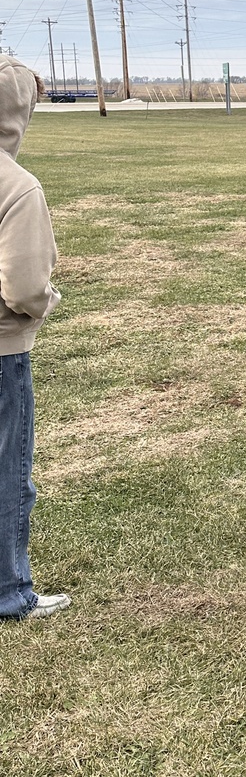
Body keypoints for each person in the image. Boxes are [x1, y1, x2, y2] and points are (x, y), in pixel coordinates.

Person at [0, 55, 70, 620]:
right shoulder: (18, 187)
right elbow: (24, 288)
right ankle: (8, 591)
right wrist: (48, 303)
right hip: (3, 353)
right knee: (7, 473)